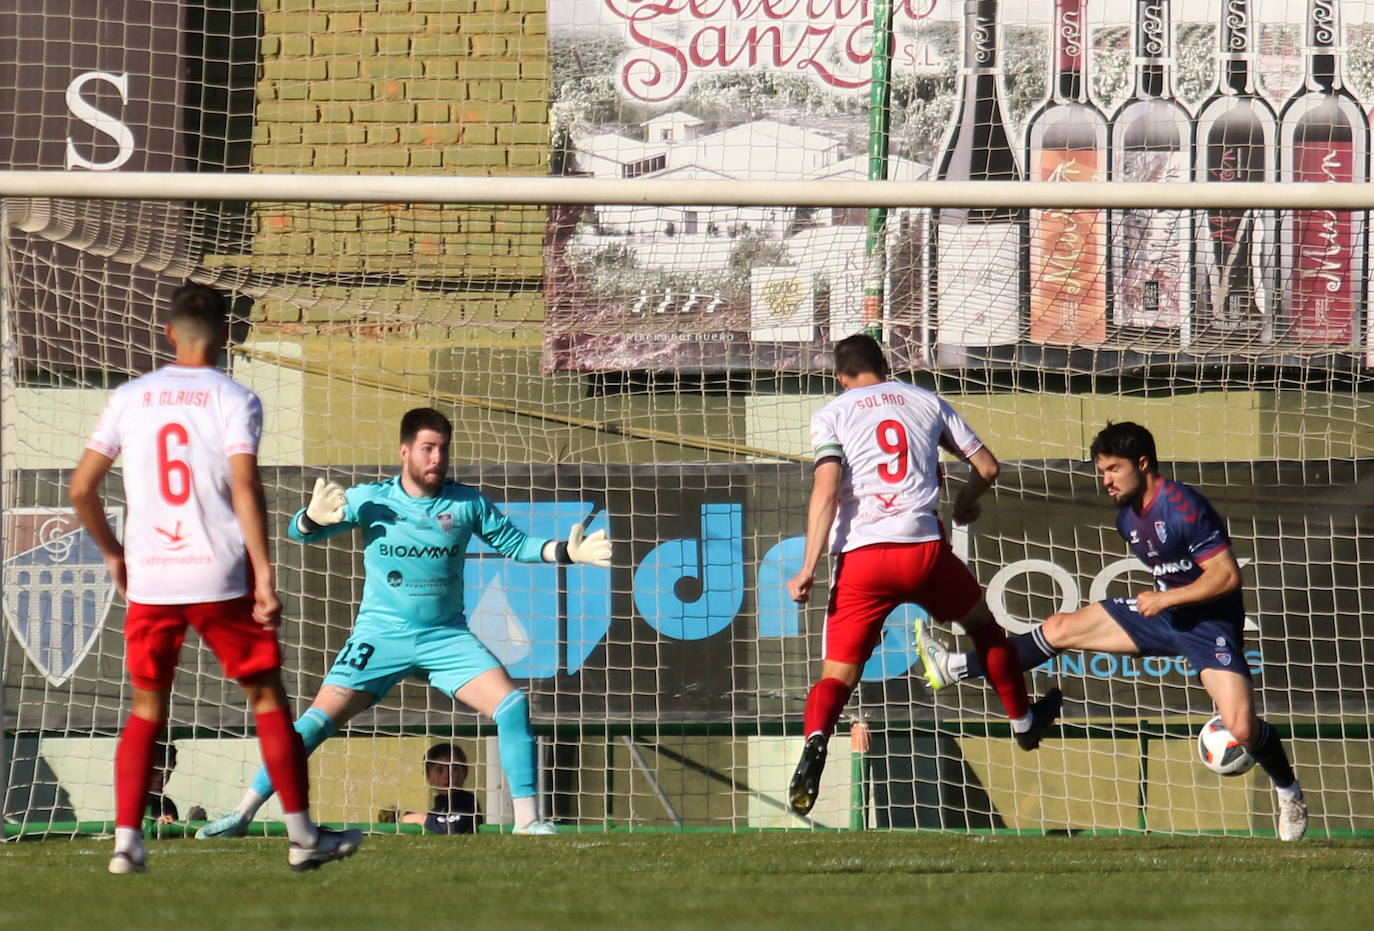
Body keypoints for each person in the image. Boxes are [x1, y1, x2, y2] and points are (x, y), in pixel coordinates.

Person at [198, 406, 611, 839]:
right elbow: (300, 534)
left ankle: (528, 822)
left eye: (443, 450)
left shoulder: (467, 504)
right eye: (428, 448)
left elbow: (516, 544)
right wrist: (311, 518)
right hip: (380, 639)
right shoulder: (370, 500)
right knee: (312, 726)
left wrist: (566, 551)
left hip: (445, 638)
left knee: (512, 706)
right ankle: (241, 814)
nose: (437, 458)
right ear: (405, 451)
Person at [69, 282, 363, 874]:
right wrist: (264, 574)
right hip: (220, 576)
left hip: (152, 580)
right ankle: (302, 836)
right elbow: (245, 487)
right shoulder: (236, 397)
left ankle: (126, 842)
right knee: (266, 698)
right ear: (227, 335)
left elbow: (80, 488)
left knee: (146, 707)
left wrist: (114, 554)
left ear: (169, 333)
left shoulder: (130, 397)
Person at [917, 421, 1308, 841]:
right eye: (1101, 471)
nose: (1105, 480)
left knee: (1244, 728)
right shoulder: (1128, 520)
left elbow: (1227, 577)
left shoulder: (1183, 507)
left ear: (1143, 464)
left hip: (1208, 628)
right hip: (1161, 616)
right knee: (1060, 628)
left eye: (1113, 469)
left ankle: (1290, 795)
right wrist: (1163, 602)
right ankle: (954, 667)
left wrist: (1166, 599)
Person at [784, 334, 1061, 817]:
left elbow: (827, 488)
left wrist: (808, 566)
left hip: (862, 561)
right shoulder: (926, 400)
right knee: (984, 629)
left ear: (840, 378)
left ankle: (814, 742)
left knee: (837, 677)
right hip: (924, 552)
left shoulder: (833, 412)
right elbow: (987, 466)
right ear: (885, 366)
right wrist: (966, 500)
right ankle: (1021, 720)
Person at [379, 742, 484, 835]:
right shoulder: (439, 807)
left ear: (464, 773)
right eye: (439, 770)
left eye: (454, 768)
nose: (447, 775)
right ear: (428, 778)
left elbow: (452, 827)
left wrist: (420, 818)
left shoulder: (466, 802)